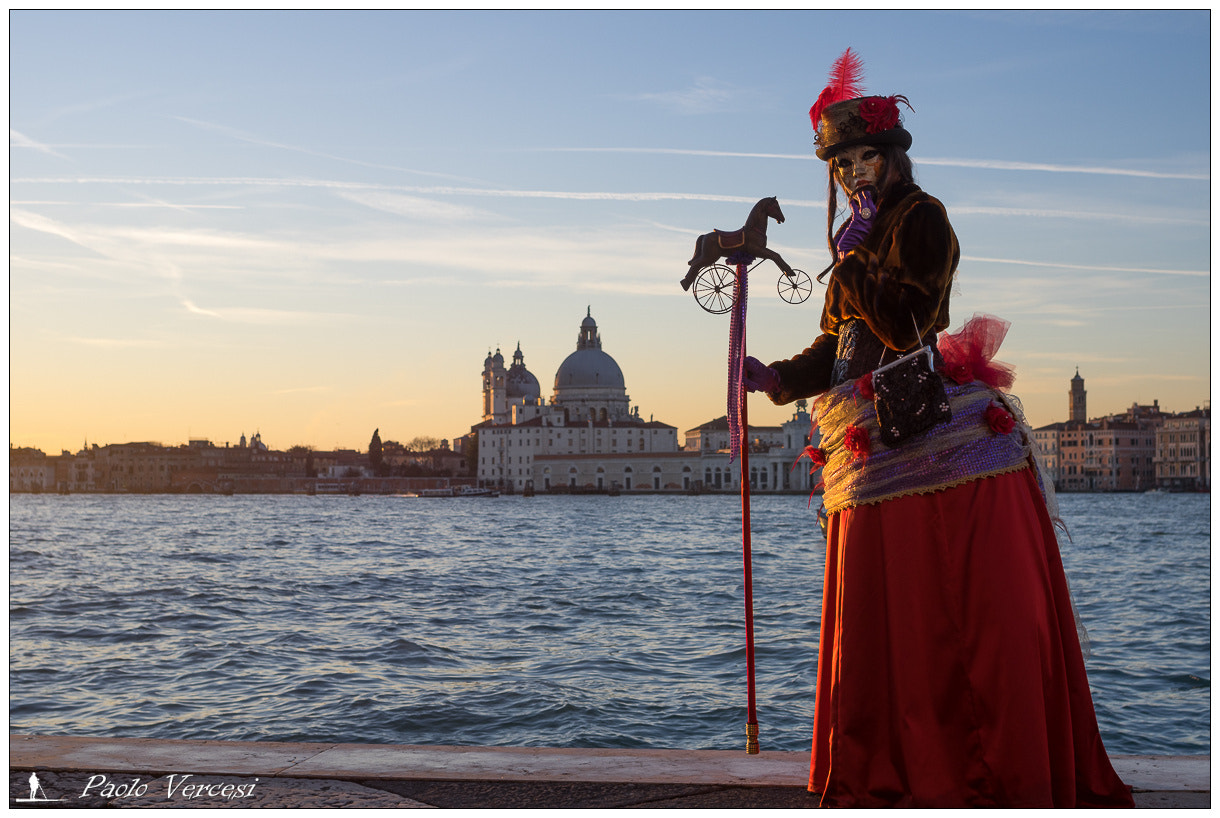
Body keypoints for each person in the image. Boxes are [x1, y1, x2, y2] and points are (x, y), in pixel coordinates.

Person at [742, 49, 1134, 808]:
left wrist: (852, 269)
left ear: (892, 158)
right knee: (881, 625)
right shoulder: (853, 236)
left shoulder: (924, 220)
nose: (853, 174)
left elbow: (910, 322)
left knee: (942, 610)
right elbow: (839, 349)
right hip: (865, 445)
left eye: (864, 158)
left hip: (922, 437)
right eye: (841, 164)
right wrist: (778, 380)